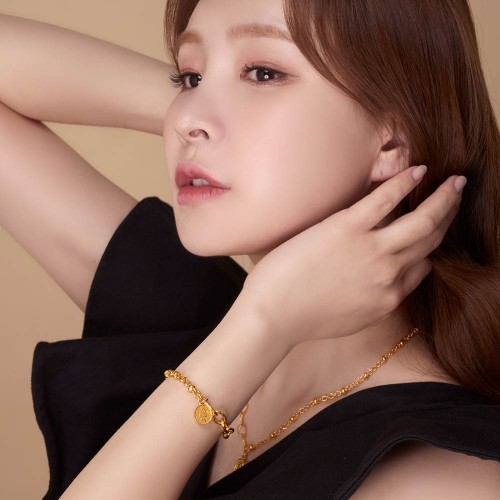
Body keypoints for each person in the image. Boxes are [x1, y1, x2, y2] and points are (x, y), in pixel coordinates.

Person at [0, 0, 499, 499]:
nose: (186, 119)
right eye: (190, 76)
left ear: (392, 142)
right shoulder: (199, 321)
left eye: (263, 72)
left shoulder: (441, 478)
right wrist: (199, 112)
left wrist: (262, 323)